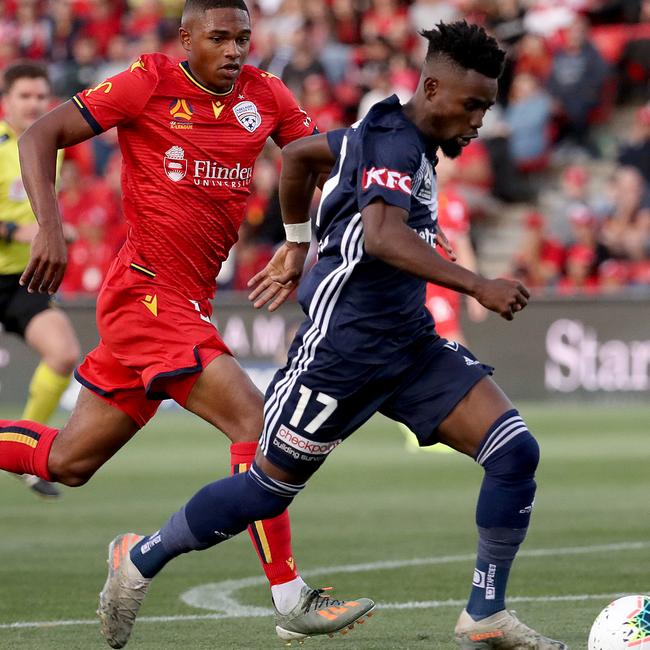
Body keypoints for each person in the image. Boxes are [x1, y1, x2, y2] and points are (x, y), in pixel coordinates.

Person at [99, 21, 569, 649]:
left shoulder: (391, 133)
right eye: (474, 103)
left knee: (514, 451)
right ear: (432, 88)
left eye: (488, 103)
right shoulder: (396, 141)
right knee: (265, 492)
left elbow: (299, 157)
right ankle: (138, 560)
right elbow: (381, 236)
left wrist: (298, 245)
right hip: (339, 355)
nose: (482, 118)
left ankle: (484, 613)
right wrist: (475, 283)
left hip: (408, 347)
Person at [0, 0, 371, 646]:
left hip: (181, 303)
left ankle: (132, 557)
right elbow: (40, 136)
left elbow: (313, 162)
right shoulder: (147, 83)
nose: (235, 50)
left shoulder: (268, 96)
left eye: (244, 38)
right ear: (186, 38)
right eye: (220, 38)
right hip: (144, 295)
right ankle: (290, 597)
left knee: (67, 460)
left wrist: (297, 240)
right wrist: (51, 231)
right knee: (255, 424)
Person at [0, 61, 80, 499]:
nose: (33, 104)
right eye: (24, 96)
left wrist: (52, 229)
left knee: (64, 353)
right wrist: (19, 231)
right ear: (6, 101)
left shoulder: (51, 142)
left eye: (39, 96)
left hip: (19, 278)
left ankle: (23, 456)